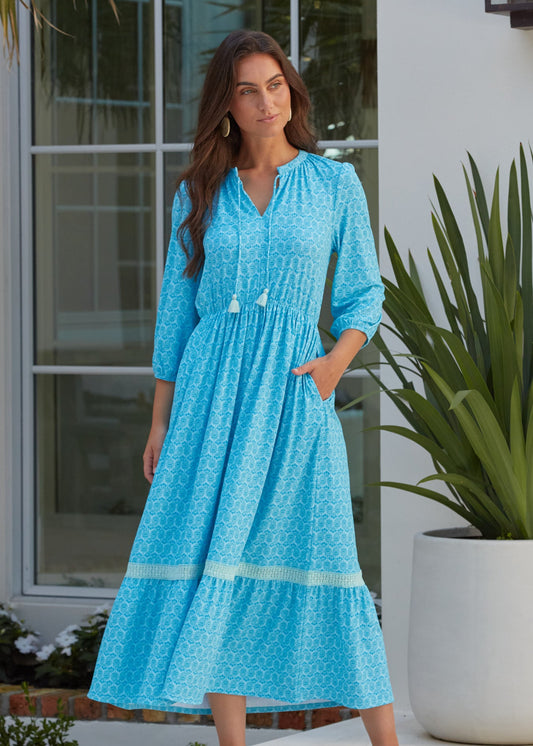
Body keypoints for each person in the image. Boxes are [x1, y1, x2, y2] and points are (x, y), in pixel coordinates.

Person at [88, 29, 399, 746]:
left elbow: (362, 297)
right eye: (248, 90)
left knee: (326, 557)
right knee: (214, 560)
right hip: (208, 397)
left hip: (294, 392)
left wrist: (332, 366)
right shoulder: (199, 190)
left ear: (291, 91)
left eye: (276, 85)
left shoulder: (331, 184)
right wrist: (159, 423)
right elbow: (175, 314)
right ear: (225, 105)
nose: (266, 102)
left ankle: (385, 742)